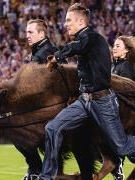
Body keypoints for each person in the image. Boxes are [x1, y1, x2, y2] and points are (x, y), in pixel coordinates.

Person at [39, 3, 135, 180]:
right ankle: (46, 177)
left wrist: (57, 56)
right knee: (52, 128)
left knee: (122, 147)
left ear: (81, 21)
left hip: (103, 101)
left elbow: (77, 47)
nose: (65, 24)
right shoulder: (83, 42)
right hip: (84, 101)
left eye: (69, 20)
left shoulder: (93, 38)